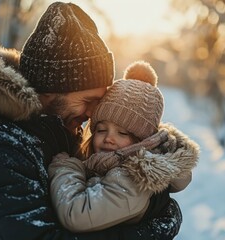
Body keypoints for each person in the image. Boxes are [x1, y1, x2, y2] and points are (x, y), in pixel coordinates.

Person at [0, 2, 183, 240]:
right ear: (52, 89)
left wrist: (152, 193)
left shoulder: (57, 131)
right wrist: (152, 223)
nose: (93, 114)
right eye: (88, 100)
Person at [48, 61, 200, 233]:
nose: (109, 138)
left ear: (143, 141)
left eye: (123, 133)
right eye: (101, 129)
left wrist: (65, 167)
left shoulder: (135, 178)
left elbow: (77, 213)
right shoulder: (105, 164)